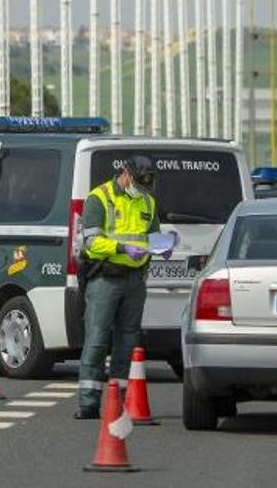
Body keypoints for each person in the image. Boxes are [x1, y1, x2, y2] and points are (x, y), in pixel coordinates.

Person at [75, 155, 161, 420]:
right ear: (125, 172)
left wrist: (163, 246)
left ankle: (121, 399)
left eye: (146, 183)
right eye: (138, 180)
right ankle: (89, 403)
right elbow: (91, 242)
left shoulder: (147, 200)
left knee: (128, 340)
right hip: (105, 278)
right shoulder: (99, 198)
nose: (141, 187)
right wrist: (123, 248)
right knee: (98, 339)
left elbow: (153, 236)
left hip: (135, 279)